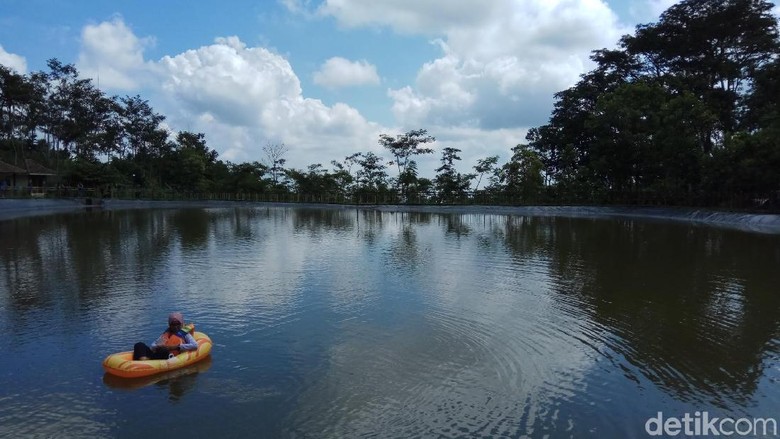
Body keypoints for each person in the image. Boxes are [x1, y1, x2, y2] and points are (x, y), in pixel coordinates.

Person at [133, 312, 198, 361]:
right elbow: (153, 345)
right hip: (158, 354)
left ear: (182, 324)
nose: (175, 326)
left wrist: (176, 347)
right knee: (139, 345)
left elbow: (195, 345)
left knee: (165, 351)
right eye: (173, 324)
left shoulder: (185, 334)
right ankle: (144, 359)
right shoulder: (167, 334)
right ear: (169, 325)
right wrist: (158, 346)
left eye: (178, 324)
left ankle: (145, 361)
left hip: (169, 355)